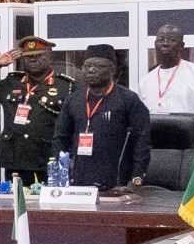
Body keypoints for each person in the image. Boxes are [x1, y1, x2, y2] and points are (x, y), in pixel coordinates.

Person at [54, 47, 149, 190]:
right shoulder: (73, 100)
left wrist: (136, 178)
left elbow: (141, 140)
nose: (91, 70)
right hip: (78, 179)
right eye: (87, 66)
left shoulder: (128, 99)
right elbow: (60, 138)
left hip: (116, 181)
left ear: (112, 70)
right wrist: (61, 174)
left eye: (98, 66)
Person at [0, 36, 69, 185]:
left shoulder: (65, 86)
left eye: (38, 56)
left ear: (50, 58)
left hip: (47, 159)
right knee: (17, 203)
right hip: (16, 160)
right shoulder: (11, 83)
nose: (32, 60)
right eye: (28, 57)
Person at [137, 22, 194, 157]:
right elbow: (141, 120)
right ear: (155, 44)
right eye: (160, 40)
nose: (165, 44)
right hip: (157, 149)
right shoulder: (146, 81)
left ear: (181, 46)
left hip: (193, 148)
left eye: (171, 40)